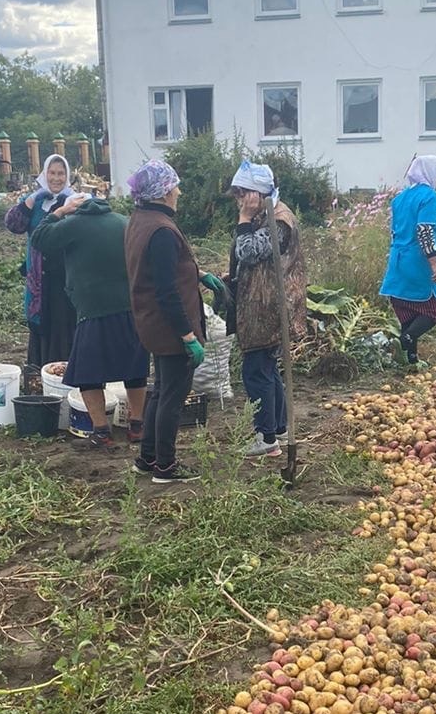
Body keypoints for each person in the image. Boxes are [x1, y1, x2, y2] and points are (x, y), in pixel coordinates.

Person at [123, 159, 219, 485]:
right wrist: (188, 335)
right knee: (172, 399)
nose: (179, 191)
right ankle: (166, 466)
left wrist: (199, 274)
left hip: (150, 323)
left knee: (160, 391)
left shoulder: (141, 219)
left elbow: (162, 269)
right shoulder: (162, 230)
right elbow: (166, 290)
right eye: (175, 185)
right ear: (163, 191)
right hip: (168, 327)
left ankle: (147, 458)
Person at [31, 192, 149, 449]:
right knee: (135, 368)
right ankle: (137, 426)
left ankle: (101, 432)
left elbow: (39, 239)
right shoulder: (123, 222)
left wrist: (60, 212)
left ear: (76, 208)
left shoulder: (72, 224)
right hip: (129, 308)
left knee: (88, 373)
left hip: (92, 311)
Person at [225, 160, 306, 457]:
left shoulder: (278, 219)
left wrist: (243, 218)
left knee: (256, 372)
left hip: (268, 308)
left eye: (241, 195)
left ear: (255, 194)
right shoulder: (268, 214)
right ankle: (280, 428)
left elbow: (248, 251)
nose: (238, 201)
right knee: (268, 370)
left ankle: (266, 436)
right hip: (263, 304)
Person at [4, 153, 81, 368]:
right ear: (45, 174)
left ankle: (66, 374)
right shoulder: (36, 202)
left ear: (67, 176)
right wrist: (33, 197)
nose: (56, 178)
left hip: (66, 276)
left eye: (61, 173)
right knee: (42, 322)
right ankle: (40, 374)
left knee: (65, 324)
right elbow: (13, 224)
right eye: (52, 173)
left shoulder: (74, 200)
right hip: (39, 277)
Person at [379, 154, 436, 370]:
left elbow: (395, 231)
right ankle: (404, 341)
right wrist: (434, 263)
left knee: (408, 311)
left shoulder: (400, 198)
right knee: (434, 309)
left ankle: (410, 361)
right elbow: (424, 230)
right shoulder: (429, 197)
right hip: (418, 262)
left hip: (398, 262)